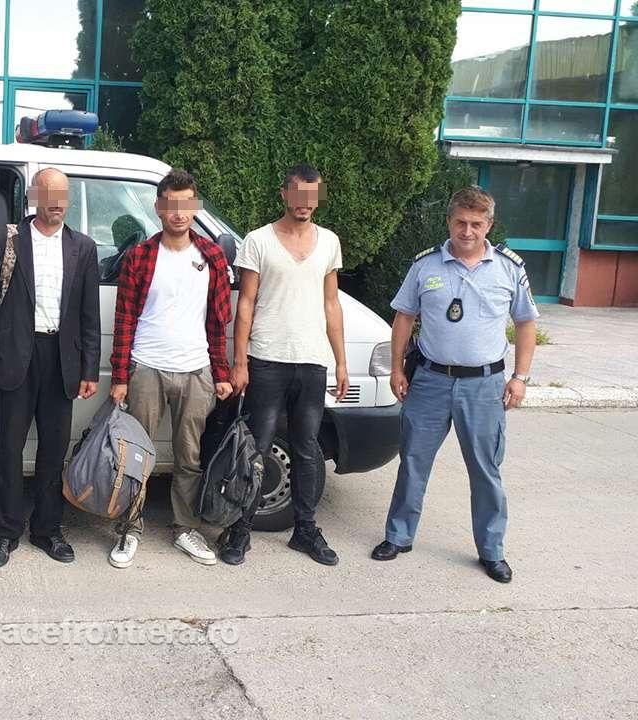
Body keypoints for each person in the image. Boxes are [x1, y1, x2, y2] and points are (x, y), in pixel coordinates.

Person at [372, 186, 537, 584]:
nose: (467, 231)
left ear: (489, 225)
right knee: (413, 461)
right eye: (460, 222)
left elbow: (526, 322)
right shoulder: (425, 265)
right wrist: (396, 369)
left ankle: (492, 550)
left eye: (476, 224)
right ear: (449, 221)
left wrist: (520, 377)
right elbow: (404, 318)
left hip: (484, 385)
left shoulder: (508, 269)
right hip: (430, 380)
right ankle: (399, 535)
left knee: (485, 470)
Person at [0, 167, 101, 568]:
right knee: (9, 449)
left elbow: (90, 314)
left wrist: (90, 369)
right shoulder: (7, 241)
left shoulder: (83, 248)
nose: (56, 203)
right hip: (14, 357)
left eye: (62, 195)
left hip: (61, 359)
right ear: (33, 198)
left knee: (53, 450)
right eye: (48, 194)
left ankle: (47, 529)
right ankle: (6, 531)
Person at [108, 169, 233, 568]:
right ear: (159, 207)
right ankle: (129, 528)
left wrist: (221, 373)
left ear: (195, 207)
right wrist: (121, 376)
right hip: (147, 367)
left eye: (186, 204)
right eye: (171, 205)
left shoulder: (211, 257)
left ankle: (185, 528)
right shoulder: (141, 256)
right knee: (136, 456)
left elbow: (218, 322)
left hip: (196, 370)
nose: (179, 213)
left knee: (189, 456)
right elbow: (124, 320)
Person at [225, 164, 349, 567]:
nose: (304, 203)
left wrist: (341, 361)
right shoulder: (258, 240)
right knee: (257, 447)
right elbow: (246, 303)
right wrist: (239, 360)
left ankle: (305, 530)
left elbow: (332, 304)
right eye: (298, 194)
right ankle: (240, 529)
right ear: (284, 195)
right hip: (267, 359)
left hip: (311, 361)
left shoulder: (329, 242)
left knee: (307, 448)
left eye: (312, 196)